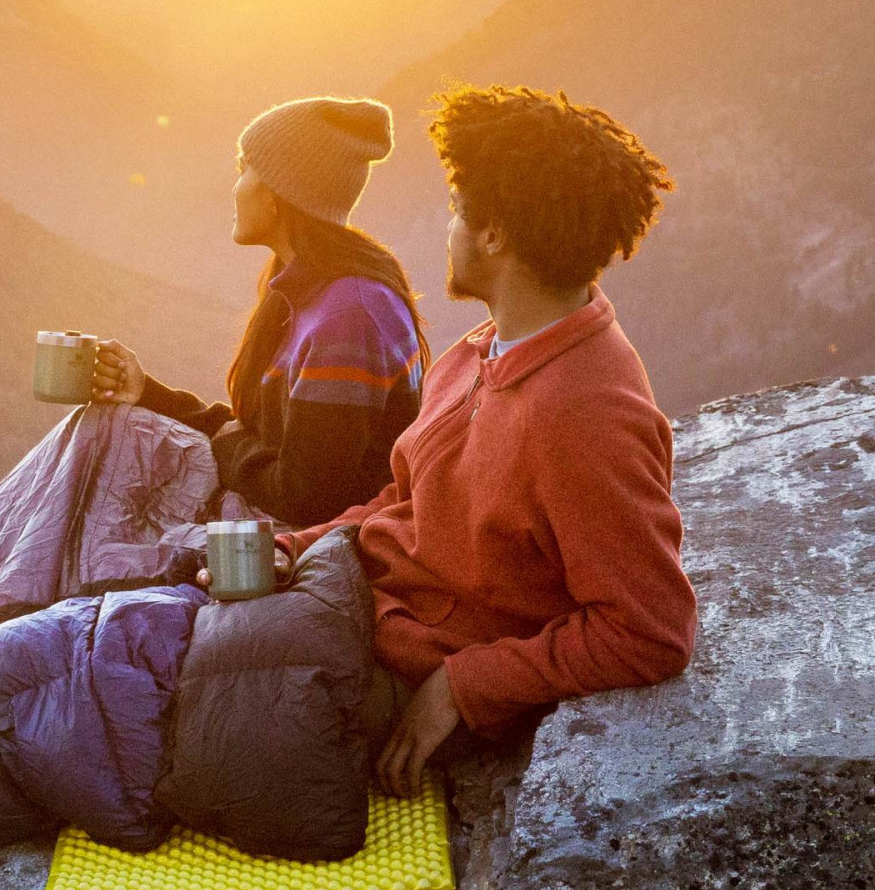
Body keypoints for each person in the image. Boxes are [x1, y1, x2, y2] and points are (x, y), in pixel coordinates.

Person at [205, 85, 698, 794]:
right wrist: (297, 547)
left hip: (397, 669)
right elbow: (401, 498)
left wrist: (464, 685)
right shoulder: (481, 352)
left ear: (495, 234)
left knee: (125, 692)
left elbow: (651, 629)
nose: (447, 228)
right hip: (353, 603)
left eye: (457, 210)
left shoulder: (585, 411)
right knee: (129, 629)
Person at [93, 96, 429, 526]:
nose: (234, 186)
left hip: (320, 552)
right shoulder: (303, 290)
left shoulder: (349, 316)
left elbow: (303, 499)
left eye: (243, 169)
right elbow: (262, 442)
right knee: (103, 431)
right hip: (283, 534)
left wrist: (226, 439)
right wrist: (148, 395)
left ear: (277, 194)